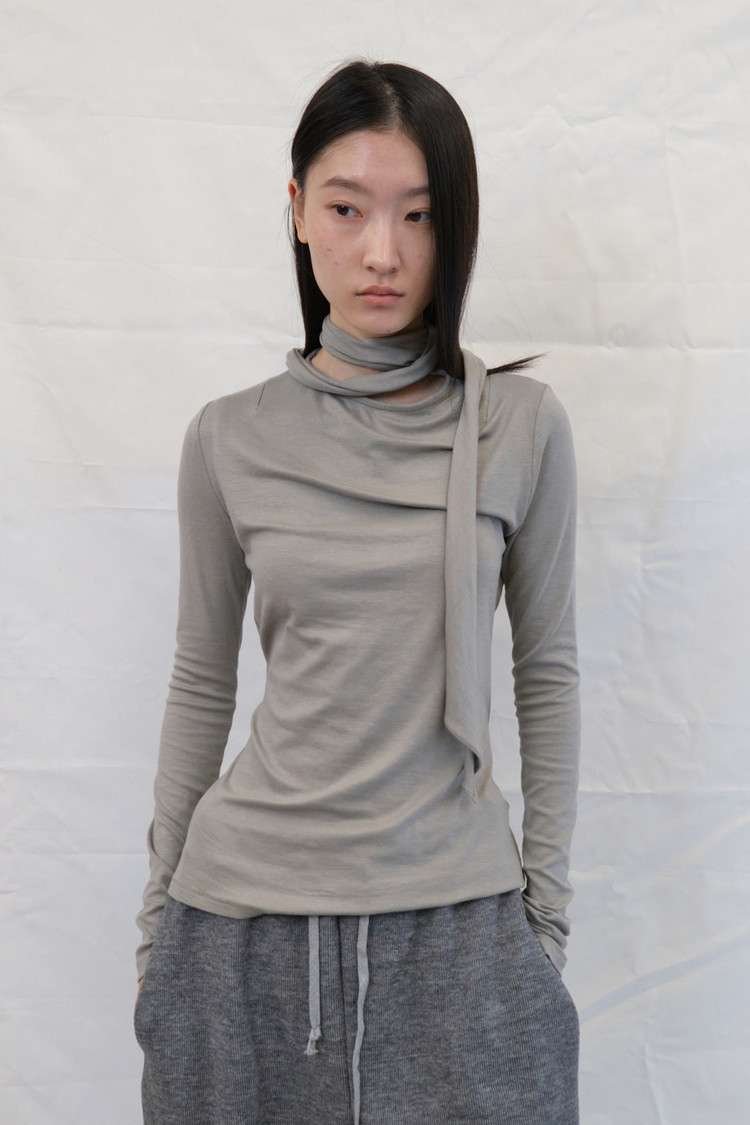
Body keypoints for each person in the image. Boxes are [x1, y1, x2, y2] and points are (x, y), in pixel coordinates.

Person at [133, 58, 581, 1125]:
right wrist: (157, 935)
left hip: (464, 931)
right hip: (239, 935)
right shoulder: (228, 438)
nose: (383, 252)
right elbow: (201, 681)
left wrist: (545, 926)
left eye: (420, 215)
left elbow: (548, 674)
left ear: (456, 224)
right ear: (297, 211)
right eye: (346, 208)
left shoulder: (518, 428)